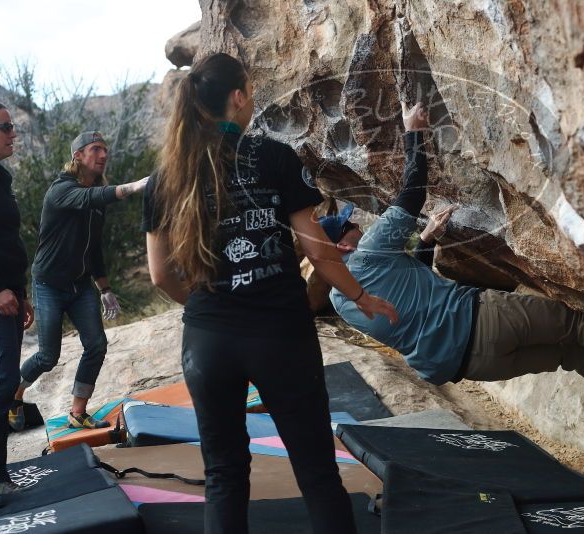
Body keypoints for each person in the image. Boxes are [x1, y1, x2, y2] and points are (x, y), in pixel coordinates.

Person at [143, 52, 397, 534]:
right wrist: (362, 298)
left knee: (224, 474)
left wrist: (205, 308)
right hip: (281, 334)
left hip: (208, 341)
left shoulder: (166, 178)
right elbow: (319, 251)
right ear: (237, 98)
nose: (253, 99)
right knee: (317, 471)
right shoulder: (275, 157)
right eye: (251, 91)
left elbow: (160, 275)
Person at [326, 102, 584, 401]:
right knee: (576, 322)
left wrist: (426, 241)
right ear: (343, 244)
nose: (357, 225)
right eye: (349, 226)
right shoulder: (367, 254)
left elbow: (408, 301)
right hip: (482, 322)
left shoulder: (342, 301)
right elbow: (412, 193)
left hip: (472, 366)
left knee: (569, 353)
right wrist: (413, 131)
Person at [10, 131, 148, 431]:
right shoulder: (61, 190)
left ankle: (77, 411)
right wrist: (135, 186)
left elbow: (94, 249)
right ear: (78, 156)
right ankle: (15, 393)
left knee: (97, 344)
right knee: (48, 356)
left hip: (81, 285)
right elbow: (88, 197)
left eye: (105, 150)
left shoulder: (95, 200)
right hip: (49, 285)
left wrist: (106, 290)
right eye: (95, 149)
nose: (103, 155)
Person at [0, 101, 34, 500]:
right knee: (2, 382)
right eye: (4, 127)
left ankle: (0, 473)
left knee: (2, 384)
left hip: (8, 299)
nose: (12, 133)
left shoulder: (0, 179)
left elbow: (7, 243)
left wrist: (19, 291)